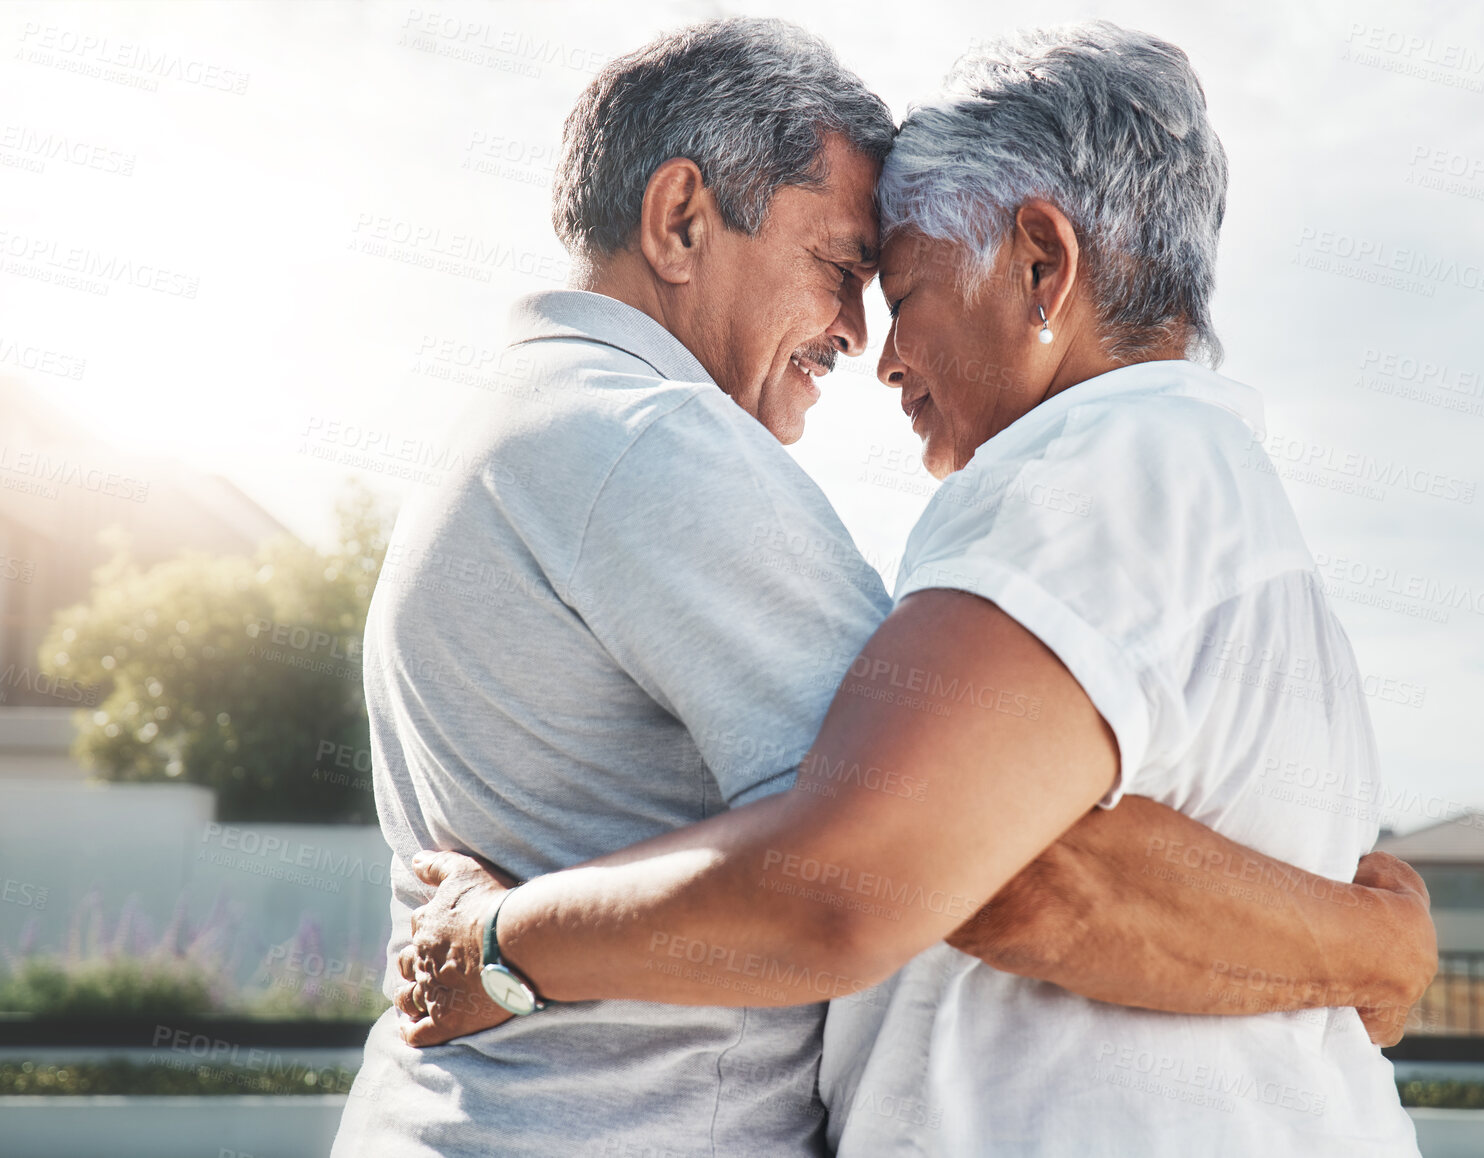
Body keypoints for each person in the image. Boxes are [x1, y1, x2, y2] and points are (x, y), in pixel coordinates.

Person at [394, 21, 1427, 1158]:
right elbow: (936, 852)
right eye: (844, 274)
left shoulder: (1093, 478)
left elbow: (917, 864)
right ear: (680, 220)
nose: (869, 346)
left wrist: (501, 940)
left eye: (894, 285)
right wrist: (1367, 949)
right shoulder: (1198, 501)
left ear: (1040, 264)